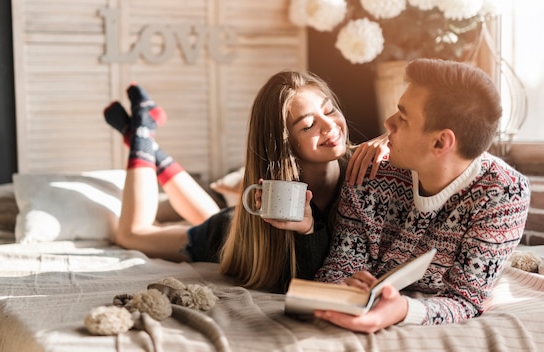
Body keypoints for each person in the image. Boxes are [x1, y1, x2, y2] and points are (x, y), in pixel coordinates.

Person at [103, 70, 386, 292]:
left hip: (235, 219)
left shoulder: (366, 167)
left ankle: (148, 146)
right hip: (227, 234)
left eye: (330, 110)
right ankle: (141, 132)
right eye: (308, 125)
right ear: (285, 144)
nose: (330, 126)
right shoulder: (278, 197)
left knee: (210, 213)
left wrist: (390, 139)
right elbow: (297, 283)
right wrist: (305, 232)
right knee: (131, 234)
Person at [314, 58, 531, 333]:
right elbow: (337, 268)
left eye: (402, 118)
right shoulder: (369, 173)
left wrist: (403, 310)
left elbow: (466, 299)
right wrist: (346, 289)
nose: (387, 123)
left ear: (441, 142)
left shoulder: (504, 194)